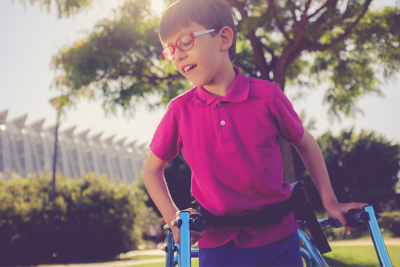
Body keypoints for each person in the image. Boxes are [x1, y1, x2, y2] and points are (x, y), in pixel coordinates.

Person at [142, 0, 368, 266]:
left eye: (185, 42)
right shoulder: (180, 111)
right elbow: (151, 170)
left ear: (224, 38)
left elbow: (306, 143)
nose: (177, 55)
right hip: (218, 243)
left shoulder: (267, 95)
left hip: (279, 236)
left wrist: (330, 202)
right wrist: (175, 218)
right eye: (169, 50)